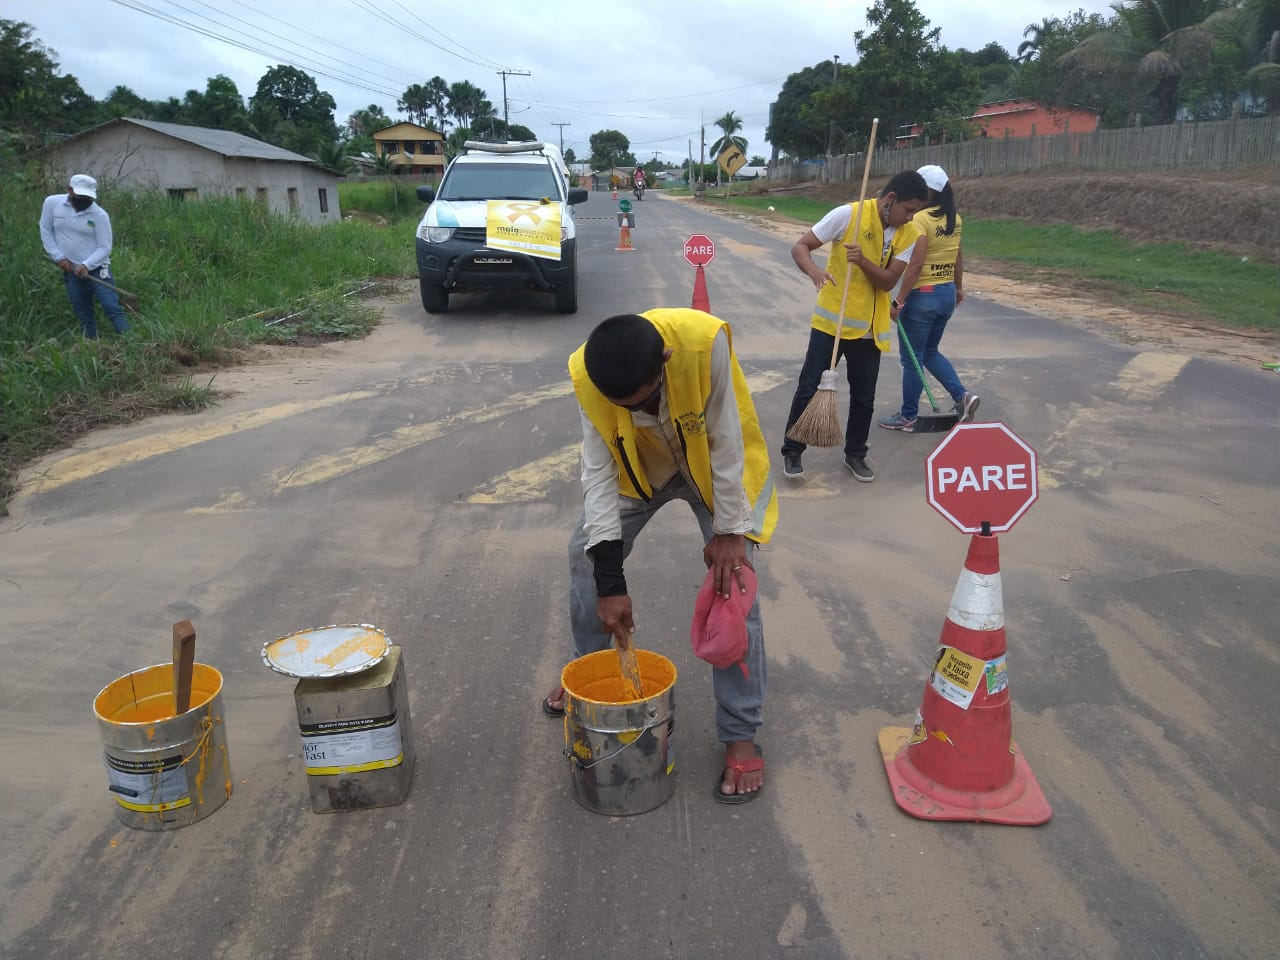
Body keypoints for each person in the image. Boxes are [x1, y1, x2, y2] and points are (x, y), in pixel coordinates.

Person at [542, 309, 779, 803]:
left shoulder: (702, 344)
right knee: (583, 557)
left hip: (710, 472)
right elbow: (599, 473)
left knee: (734, 584)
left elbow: (728, 440)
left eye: (646, 398)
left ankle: (740, 731)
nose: (641, 409)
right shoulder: (589, 375)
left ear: (665, 361)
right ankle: (593, 678)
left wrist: (731, 531)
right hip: (640, 474)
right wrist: (610, 583)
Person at [780, 170, 931, 481]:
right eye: (908, 209)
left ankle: (856, 454)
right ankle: (792, 451)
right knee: (809, 387)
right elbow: (801, 247)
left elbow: (889, 280)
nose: (910, 217)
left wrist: (863, 261)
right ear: (891, 200)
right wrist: (815, 273)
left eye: (915, 211)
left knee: (864, 396)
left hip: (868, 329)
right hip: (830, 324)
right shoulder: (847, 215)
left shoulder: (910, 232)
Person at [879, 165, 979, 432]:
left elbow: (915, 263)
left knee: (912, 360)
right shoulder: (953, 219)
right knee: (930, 351)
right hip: (946, 292)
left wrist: (899, 300)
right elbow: (958, 255)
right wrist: (958, 288)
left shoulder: (920, 219)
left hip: (923, 294)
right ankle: (962, 397)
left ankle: (908, 416)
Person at [39, 174, 130, 339]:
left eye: (88, 197)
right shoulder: (52, 204)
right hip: (71, 271)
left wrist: (87, 264)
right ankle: (92, 346)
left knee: (111, 307)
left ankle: (132, 343)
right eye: (80, 196)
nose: (84, 201)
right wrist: (58, 257)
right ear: (69, 190)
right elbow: (46, 230)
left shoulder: (99, 215)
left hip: (98, 270)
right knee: (83, 312)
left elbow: (104, 247)